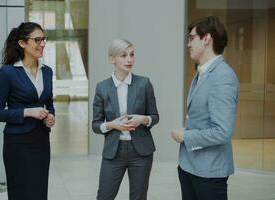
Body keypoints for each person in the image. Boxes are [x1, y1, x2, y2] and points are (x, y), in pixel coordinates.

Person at [171, 16, 239, 200]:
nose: (188, 44)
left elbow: (222, 131)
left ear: (206, 38)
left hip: (209, 173)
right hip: (189, 167)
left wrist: (186, 136)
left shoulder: (223, 76)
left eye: (192, 38)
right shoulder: (202, 71)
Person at [0, 22, 55, 200]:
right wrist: (27, 112)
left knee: (39, 192)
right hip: (17, 143)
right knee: (20, 193)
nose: (42, 44)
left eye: (43, 39)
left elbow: (49, 104)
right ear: (22, 43)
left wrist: (51, 117)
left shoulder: (47, 72)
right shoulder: (8, 72)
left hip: (41, 141)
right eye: (37, 39)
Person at [92, 39, 159, 200]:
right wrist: (112, 125)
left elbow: (155, 117)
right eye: (123, 55)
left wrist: (143, 119)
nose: (129, 59)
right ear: (112, 59)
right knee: (104, 196)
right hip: (114, 152)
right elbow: (96, 125)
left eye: (132, 54)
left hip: (141, 152)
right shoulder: (102, 87)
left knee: (138, 197)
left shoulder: (144, 84)